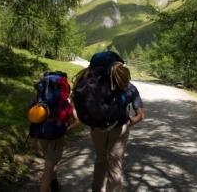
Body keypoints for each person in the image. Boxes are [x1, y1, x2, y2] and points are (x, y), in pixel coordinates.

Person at [73, 54, 145, 192]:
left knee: (100, 160)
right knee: (115, 166)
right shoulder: (127, 86)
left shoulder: (86, 85)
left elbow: (78, 109)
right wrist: (129, 123)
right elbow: (140, 115)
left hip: (97, 129)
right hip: (119, 129)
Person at [33, 91, 80, 192]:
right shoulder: (66, 103)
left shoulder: (41, 100)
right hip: (56, 137)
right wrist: (66, 129)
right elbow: (77, 122)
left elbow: (34, 120)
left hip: (42, 135)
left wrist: (35, 142)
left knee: (51, 162)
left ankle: (54, 186)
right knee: (48, 167)